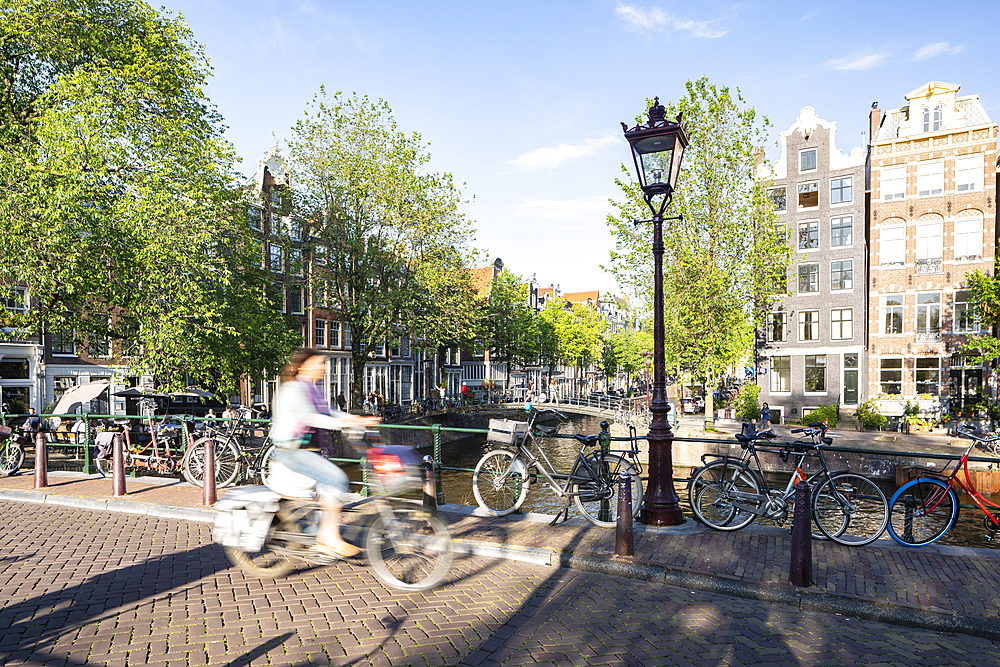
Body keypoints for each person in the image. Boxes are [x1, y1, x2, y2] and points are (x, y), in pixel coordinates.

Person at [269, 349, 379, 559]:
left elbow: (327, 411)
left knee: (325, 489)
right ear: (303, 366)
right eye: (319, 363)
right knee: (336, 479)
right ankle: (328, 538)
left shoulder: (312, 388)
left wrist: (355, 418)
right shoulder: (292, 389)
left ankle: (314, 535)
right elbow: (310, 417)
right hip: (292, 450)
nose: (323, 367)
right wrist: (343, 423)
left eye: (324, 363)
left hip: (310, 449)